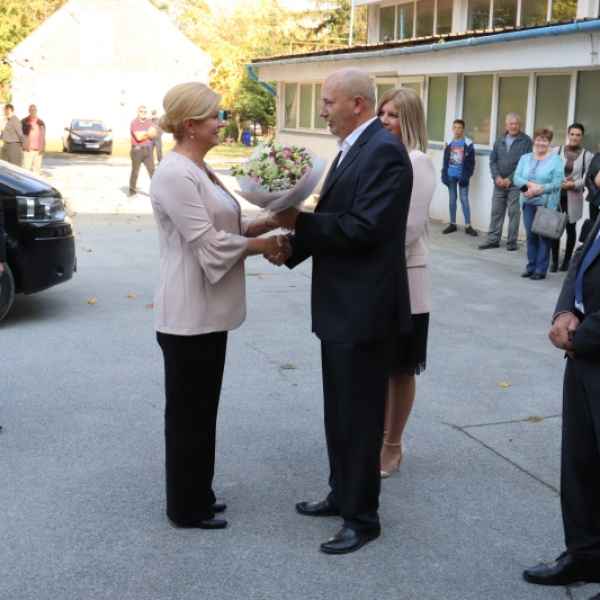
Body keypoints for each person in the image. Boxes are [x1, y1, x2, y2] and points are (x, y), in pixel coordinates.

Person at [268, 68, 413, 554]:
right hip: (342, 307)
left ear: (358, 103)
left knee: (360, 416)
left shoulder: (384, 151)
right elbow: (337, 219)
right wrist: (291, 246)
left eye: (329, 102)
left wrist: (299, 224)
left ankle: (362, 518)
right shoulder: (355, 147)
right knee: (340, 411)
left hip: (364, 310)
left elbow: (365, 228)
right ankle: (341, 493)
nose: (322, 110)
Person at [150, 82, 290, 530]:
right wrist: (264, 244)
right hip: (188, 313)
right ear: (190, 124)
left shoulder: (199, 169)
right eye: (214, 116)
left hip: (207, 312)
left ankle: (199, 493)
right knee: (188, 416)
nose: (221, 122)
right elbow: (208, 243)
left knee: (202, 411)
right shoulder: (174, 174)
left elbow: (226, 223)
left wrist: (270, 220)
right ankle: (185, 508)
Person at [522, 212, 600, 588]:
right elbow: (583, 254)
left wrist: (580, 338)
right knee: (580, 462)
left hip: (588, 343)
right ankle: (585, 557)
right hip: (583, 354)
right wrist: (564, 311)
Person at [377, 87, 435, 477]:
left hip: (407, 282)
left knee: (400, 369)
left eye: (393, 115)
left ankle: (392, 445)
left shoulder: (417, 161)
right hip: (381, 281)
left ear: (409, 120)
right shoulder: (385, 158)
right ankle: (378, 436)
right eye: (382, 113)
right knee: (380, 367)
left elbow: (408, 230)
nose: (384, 121)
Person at [513, 128, 564, 280]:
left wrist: (540, 189)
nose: (541, 143)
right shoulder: (525, 158)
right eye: (539, 139)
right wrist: (527, 188)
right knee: (531, 236)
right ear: (534, 140)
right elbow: (516, 177)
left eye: (545, 140)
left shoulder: (556, 160)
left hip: (545, 204)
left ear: (549, 142)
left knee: (543, 236)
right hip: (528, 201)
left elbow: (557, 183)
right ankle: (531, 266)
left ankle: (540, 270)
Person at [479, 113, 533, 251]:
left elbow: (526, 164)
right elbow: (493, 161)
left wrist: (510, 179)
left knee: (514, 213)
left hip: (516, 184)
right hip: (499, 183)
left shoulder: (526, 141)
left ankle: (511, 242)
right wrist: (496, 177)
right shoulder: (499, 140)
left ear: (520, 125)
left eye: (516, 124)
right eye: (511, 124)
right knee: (496, 211)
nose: (513, 126)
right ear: (506, 125)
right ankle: (493, 240)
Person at [551, 124, 593, 272]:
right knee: (555, 229)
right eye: (572, 134)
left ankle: (566, 261)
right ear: (568, 134)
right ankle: (554, 261)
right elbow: (550, 171)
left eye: (578, 135)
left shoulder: (587, 155)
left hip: (573, 197)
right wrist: (559, 182)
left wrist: (573, 184)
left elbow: (588, 178)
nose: (575, 137)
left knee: (570, 229)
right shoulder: (557, 150)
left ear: (582, 137)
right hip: (556, 195)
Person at [441, 119, 477, 236]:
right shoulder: (449, 143)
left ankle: (468, 226)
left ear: (463, 129)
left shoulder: (468, 144)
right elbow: (445, 160)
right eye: (455, 127)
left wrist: (466, 176)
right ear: (452, 129)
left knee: (464, 199)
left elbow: (471, 163)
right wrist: (444, 174)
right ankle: (452, 224)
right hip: (450, 175)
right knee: (452, 200)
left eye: (459, 128)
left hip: (463, 176)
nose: (457, 130)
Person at [129, 105, 156, 196]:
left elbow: (154, 134)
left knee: (152, 171)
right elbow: (139, 137)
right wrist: (148, 133)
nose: (143, 113)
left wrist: (145, 133)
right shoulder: (134, 122)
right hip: (137, 150)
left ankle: (156, 192)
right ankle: (132, 191)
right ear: (138, 112)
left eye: (145, 112)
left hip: (148, 150)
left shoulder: (149, 122)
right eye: (141, 111)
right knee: (135, 171)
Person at [21, 104, 46, 175]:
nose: (33, 111)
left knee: (37, 172)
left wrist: (43, 147)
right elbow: (20, 135)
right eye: (31, 110)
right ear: (29, 111)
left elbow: (43, 136)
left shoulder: (41, 122)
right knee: (25, 171)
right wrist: (23, 146)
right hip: (28, 150)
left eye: (34, 110)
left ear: (36, 111)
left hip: (38, 151)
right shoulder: (24, 121)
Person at [585, 151, 600, 223]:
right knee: (593, 225)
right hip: (595, 200)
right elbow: (588, 178)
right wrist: (596, 196)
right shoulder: (597, 156)